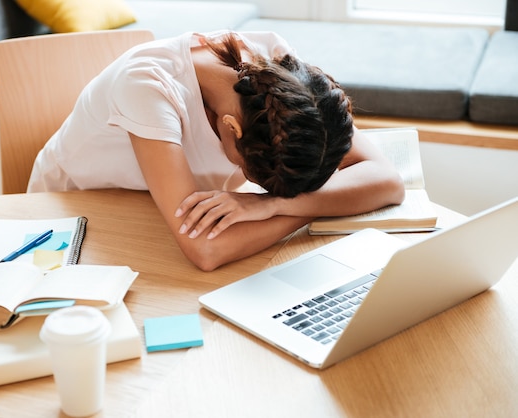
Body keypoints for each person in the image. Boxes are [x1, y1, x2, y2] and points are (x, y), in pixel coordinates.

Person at [28, 30, 405, 271]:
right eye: (257, 180)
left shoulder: (275, 66)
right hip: (77, 216)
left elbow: (387, 180)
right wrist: (305, 207)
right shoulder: (148, 86)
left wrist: (273, 205)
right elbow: (207, 250)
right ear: (231, 128)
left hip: (160, 206)